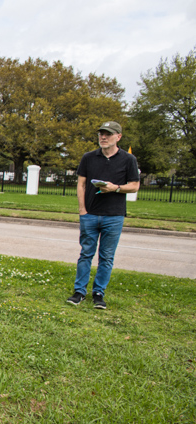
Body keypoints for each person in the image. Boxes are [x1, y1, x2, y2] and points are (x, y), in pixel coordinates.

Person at [67, 121, 140, 309]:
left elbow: (134, 186)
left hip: (114, 216)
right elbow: (81, 184)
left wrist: (115, 188)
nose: (103, 137)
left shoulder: (128, 159)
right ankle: (79, 292)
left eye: (108, 134)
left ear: (118, 137)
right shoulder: (89, 158)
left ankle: (98, 293)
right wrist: (82, 210)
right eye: (101, 133)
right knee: (86, 254)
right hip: (90, 214)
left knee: (106, 257)